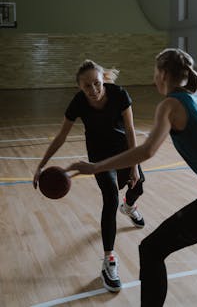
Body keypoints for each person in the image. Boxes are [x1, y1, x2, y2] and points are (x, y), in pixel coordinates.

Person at [65, 48, 197, 306]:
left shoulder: (170, 104)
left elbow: (146, 151)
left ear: (163, 74)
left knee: (151, 249)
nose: (154, 78)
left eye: (155, 72)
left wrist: (96, 167)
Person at [33, 59, 145, 292]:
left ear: (103, 79)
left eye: (97, 83)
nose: (93, 90)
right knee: (110, 199)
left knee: (138, 185)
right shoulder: (78, 103)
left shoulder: (119, 95)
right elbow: (61, 136)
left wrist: (134, 165)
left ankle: (130, 207)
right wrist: (41, 165)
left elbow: (131, 130)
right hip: (99, 157)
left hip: (124, 151)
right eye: (87, 86)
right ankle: (109, 261)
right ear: (79, 87)